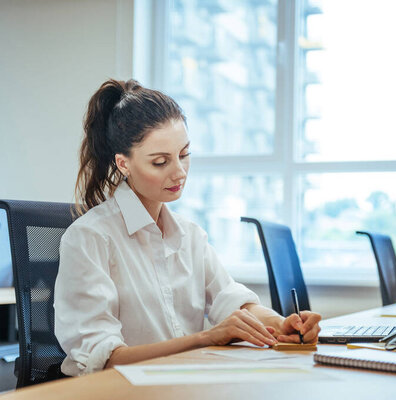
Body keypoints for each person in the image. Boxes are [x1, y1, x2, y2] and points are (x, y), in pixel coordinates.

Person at [54, 78, 321, 376]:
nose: (179, 172)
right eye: (160, 162)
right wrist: (205, 338)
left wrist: (281, 323)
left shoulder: (190, 235)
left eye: (184, 154)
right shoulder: (89, 237)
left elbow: (232, 301)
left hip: (178, 384)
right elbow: (106, 359)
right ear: (123, 164)